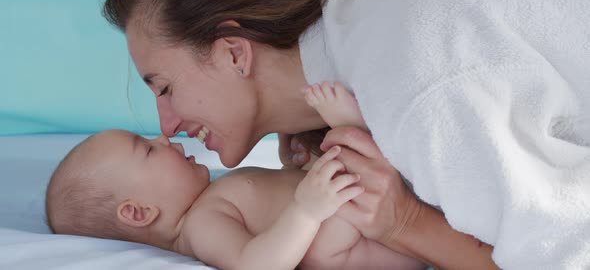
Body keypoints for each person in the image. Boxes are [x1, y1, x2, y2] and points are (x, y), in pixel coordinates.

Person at [102, 0, 590, 268]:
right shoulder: (373, 39)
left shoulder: (413, 88)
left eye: (164, 87)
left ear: (233, 52)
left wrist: (405, 222)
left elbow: (564, 255)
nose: (165, 127)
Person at [46, 129, 426, 270]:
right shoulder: (199, 226)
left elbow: (270, 201)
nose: (163, 139)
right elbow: (257, 264)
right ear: (139, 212)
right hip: (354, 240)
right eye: (147, 151)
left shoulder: (211, 195)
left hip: (356, 210)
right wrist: (307, 210)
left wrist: (293, 170)